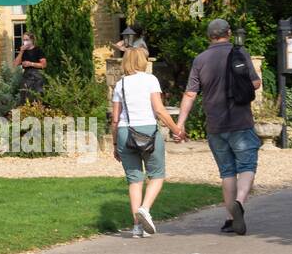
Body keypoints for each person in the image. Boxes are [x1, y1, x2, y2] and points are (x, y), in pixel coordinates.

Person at [177, 18, 262, 236]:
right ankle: (240, 203)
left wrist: (180, 123)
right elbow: (255, 82)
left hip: (215, 125)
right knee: (247, 166)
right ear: (229, 32)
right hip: (240, 121)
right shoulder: (239, 53)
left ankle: (230, 218)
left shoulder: (200, 60)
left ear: (209, 36)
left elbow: (190, 94)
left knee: (227, 171)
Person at [112, 46, 186, 237]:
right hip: (147, 131)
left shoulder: (120, 84)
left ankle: (137, 227)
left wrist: (114, 144)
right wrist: (176, 129)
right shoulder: (150, 80)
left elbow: (115, 118)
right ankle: (145, 209)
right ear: (142, 61)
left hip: (124, 132)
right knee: (157, 175)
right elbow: (160, 111)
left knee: (134, 181)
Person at [13, 31, 48, 104]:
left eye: (27, 40)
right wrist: (21, 51)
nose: (25, 41)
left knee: (37, 98)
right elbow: (15, 64)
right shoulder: (23, 51)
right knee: (25, 98)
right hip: (26, 77)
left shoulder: (38, 50)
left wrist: (31, 64)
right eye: (24, 40)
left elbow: (43, 65)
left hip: (37, 77)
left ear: (32, 40)